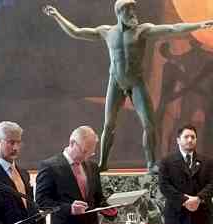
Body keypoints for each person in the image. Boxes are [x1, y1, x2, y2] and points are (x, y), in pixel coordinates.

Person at [43, 0, 213, 173]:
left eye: (133, 9)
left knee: (149, 124)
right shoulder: (107, 32)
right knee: (109, 125)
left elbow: (172, 29)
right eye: (128, 10)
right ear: (119, 13)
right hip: (116, 82)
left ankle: (150, 163)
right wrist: (57, 16)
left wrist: (199, 25)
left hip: (136, 82)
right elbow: (76, 32)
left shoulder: (142, 30)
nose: (133, 13)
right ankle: (103, 163)